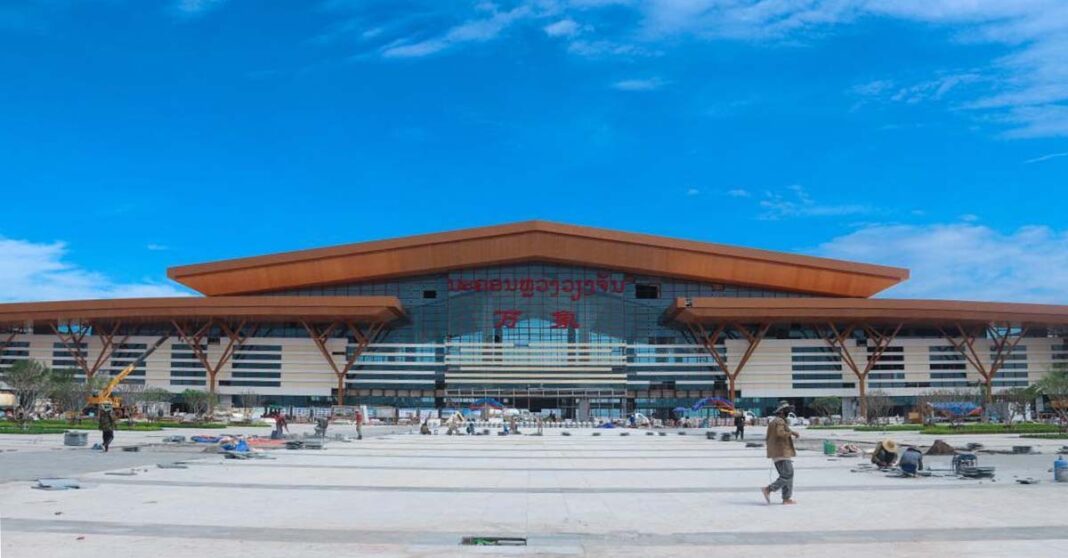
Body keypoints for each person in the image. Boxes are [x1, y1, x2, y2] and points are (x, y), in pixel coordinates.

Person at [762, 401, 800, 505]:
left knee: (787, 475)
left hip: (778, 452)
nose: (788, 412)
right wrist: (791, 433)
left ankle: (786, 498)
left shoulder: (774, 421)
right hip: (781, 452)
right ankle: (768, 489)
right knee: (787, 475)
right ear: (782, 412)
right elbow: (780, 433)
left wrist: (792, 432)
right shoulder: (780, 421)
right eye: (787, 411)